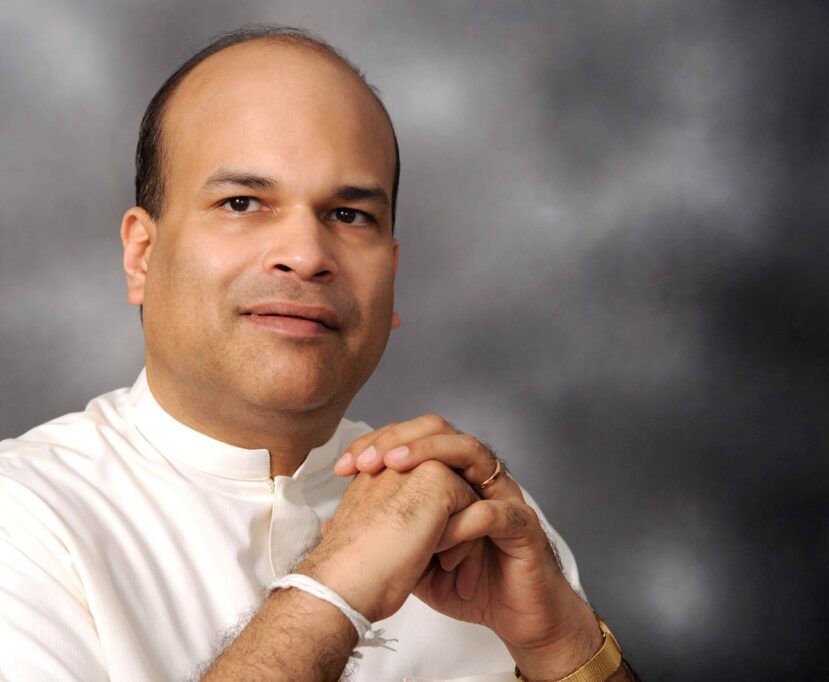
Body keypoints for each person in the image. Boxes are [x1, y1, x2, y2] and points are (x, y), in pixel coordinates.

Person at [0, 26, 636, 682]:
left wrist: (561, 643)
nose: (306, 255)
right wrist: (335, 585)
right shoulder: (23, 517)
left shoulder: (479, 522)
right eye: (242, 203)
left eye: (349, 215)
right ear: (142, 256)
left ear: (391, 275)